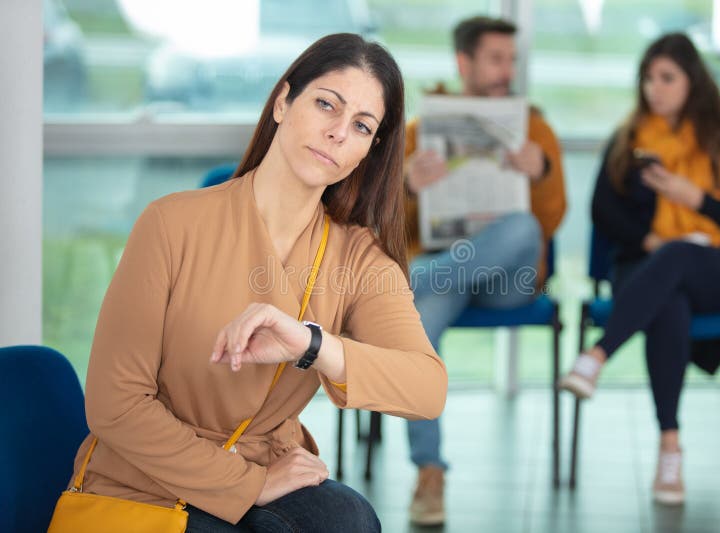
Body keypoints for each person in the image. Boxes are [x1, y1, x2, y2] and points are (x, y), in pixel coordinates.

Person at [68, 33, 447, 532]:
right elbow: (114, 406)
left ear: (369, 151)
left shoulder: (360, 258)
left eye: (360, 125)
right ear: (283, 102)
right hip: (145, 480)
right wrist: (247, 484)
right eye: (325, 104)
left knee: (349, 519)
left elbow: (427, 389)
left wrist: (310, 344)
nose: (337, 132)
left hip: (264, 465)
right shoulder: (170, 224)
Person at [559, 32, 720, 505]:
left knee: (678, 259)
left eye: (667, 78)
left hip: (715, 271)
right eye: (648, 78)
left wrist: (695, 200)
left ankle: (596, 357)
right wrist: (650, 237)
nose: (655, 88)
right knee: (667, 301)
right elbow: (602, 212)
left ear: (693, 82)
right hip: (646, 265)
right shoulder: (629, 140)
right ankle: (670, 448)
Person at [403, 16, 567, 525]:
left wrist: (539, 173)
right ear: (464, 63)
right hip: (444, 273)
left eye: (511, 60)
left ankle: (402, 286)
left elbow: (551, 219)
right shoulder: (418, 132)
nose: (506, 70)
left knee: (519, 226)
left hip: (506, 282)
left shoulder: (534, 129)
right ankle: (429, 470)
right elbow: (382, 222)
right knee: (419, 328)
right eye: (495, 59)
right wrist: (406, 186)